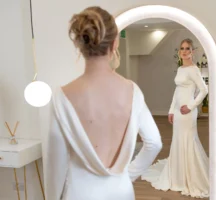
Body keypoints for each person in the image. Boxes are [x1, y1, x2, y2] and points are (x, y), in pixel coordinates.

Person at [44, 6, 162, 200]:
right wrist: (126, 175)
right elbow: (154, 143)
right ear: (115, 42)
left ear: (78, 44)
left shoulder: (62, 96)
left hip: (79, 194)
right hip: (121, 192)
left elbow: (55, 165)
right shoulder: (133, 91)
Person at [141, 38, 209, 198]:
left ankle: (189, 176)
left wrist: (191, 106)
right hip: (178, 112)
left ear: (192, 52)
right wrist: (171, 110)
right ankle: (178, 174)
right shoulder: (181, 69)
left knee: (187, 140)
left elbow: (204, 90)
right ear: (180, 51)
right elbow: (177, 92)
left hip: (187, 112)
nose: (184, 51)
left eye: (187, 49)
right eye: (182, 48)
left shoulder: (193, 69)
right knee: (178, 140)